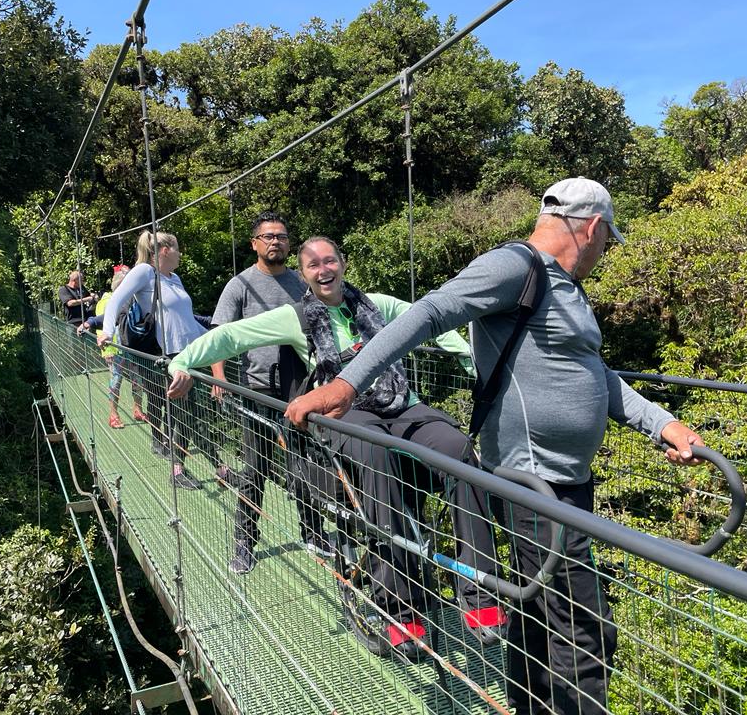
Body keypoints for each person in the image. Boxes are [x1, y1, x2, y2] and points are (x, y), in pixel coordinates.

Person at [285, 178, 705, 715]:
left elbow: (592, 373)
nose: (604, 253)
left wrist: (661, 423)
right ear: (593, 227)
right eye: (606, 241)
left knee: (538, 619)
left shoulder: (565, 288)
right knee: (583, 630)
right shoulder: (514, 267)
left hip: (569, 481)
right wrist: (348, 384)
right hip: (535, 483)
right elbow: (429, 313)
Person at [167, 236, 508, 656]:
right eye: (313, 265)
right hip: (346, 414)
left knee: (458, 449)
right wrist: (180, 362)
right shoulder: (295, 317)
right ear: (304, 275)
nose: (323, 269)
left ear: (343, 264)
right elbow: (231, 337)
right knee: (375, 455)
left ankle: (479, 595)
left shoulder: (378, 305)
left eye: (330, 261)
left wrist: (469, 358)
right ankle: (400, 610)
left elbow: (430, 321)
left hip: (402, 404)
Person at [206, 211, 328, 574]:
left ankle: (314, 533)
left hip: (300, 389)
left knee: (303, 465)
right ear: (255, 244)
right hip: (256, 388)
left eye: (282, 236)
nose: (276, 241)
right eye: (268, 236)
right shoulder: (240, 285)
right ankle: (244, 542)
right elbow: (220, 335)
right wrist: (218, 376)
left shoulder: (300, 282)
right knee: (255, 467)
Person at [99, 231, 219, 490]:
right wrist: (107, 332)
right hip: (168, 357)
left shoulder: (174, 278)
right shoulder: (144, 272)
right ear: (164, 250)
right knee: (185, 413)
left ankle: (212, 467)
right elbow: (115, 300)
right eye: (177, 248)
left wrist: (218, 339)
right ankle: (184, 471)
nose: (180, 253)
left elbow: (186, 321)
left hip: (190, 355)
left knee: (190, 414)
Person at [78, 265, 145, 429]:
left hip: (131, 348)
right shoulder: (111, 300)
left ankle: (138, 409)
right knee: (116, 381)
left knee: (138, 380)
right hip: (114, 349)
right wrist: (90, 322)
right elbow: (106, 318)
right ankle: (113, 415)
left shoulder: (134, 300)